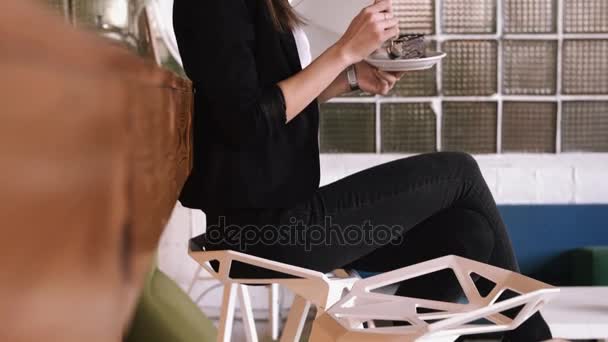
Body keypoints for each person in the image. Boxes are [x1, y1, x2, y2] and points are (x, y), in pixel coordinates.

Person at [173, 0, 552, 340]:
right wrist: (342, 52)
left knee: (469, 236)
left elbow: (270, 104)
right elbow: (246, 122)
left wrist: (352, 75)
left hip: (286, 217)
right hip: (265, 231)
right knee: (459, 171)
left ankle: (384, 339)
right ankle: (533, 337)